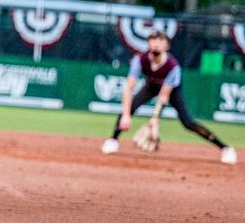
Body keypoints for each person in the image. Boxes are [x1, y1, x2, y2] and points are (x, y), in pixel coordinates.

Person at [101, 30, 237, 164]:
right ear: (148, 43)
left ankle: (225, 148)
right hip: (151, 86)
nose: (156, 44)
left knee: (188, 123)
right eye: (153, 40)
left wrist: (154, 119)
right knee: (128, 109)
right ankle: (113, 140)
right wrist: (126, 115)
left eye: (161, 41)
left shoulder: (173, 67)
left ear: (167, 46)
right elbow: (129, 88)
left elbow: (163, 96)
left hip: (172, 91)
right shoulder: (140, 60)